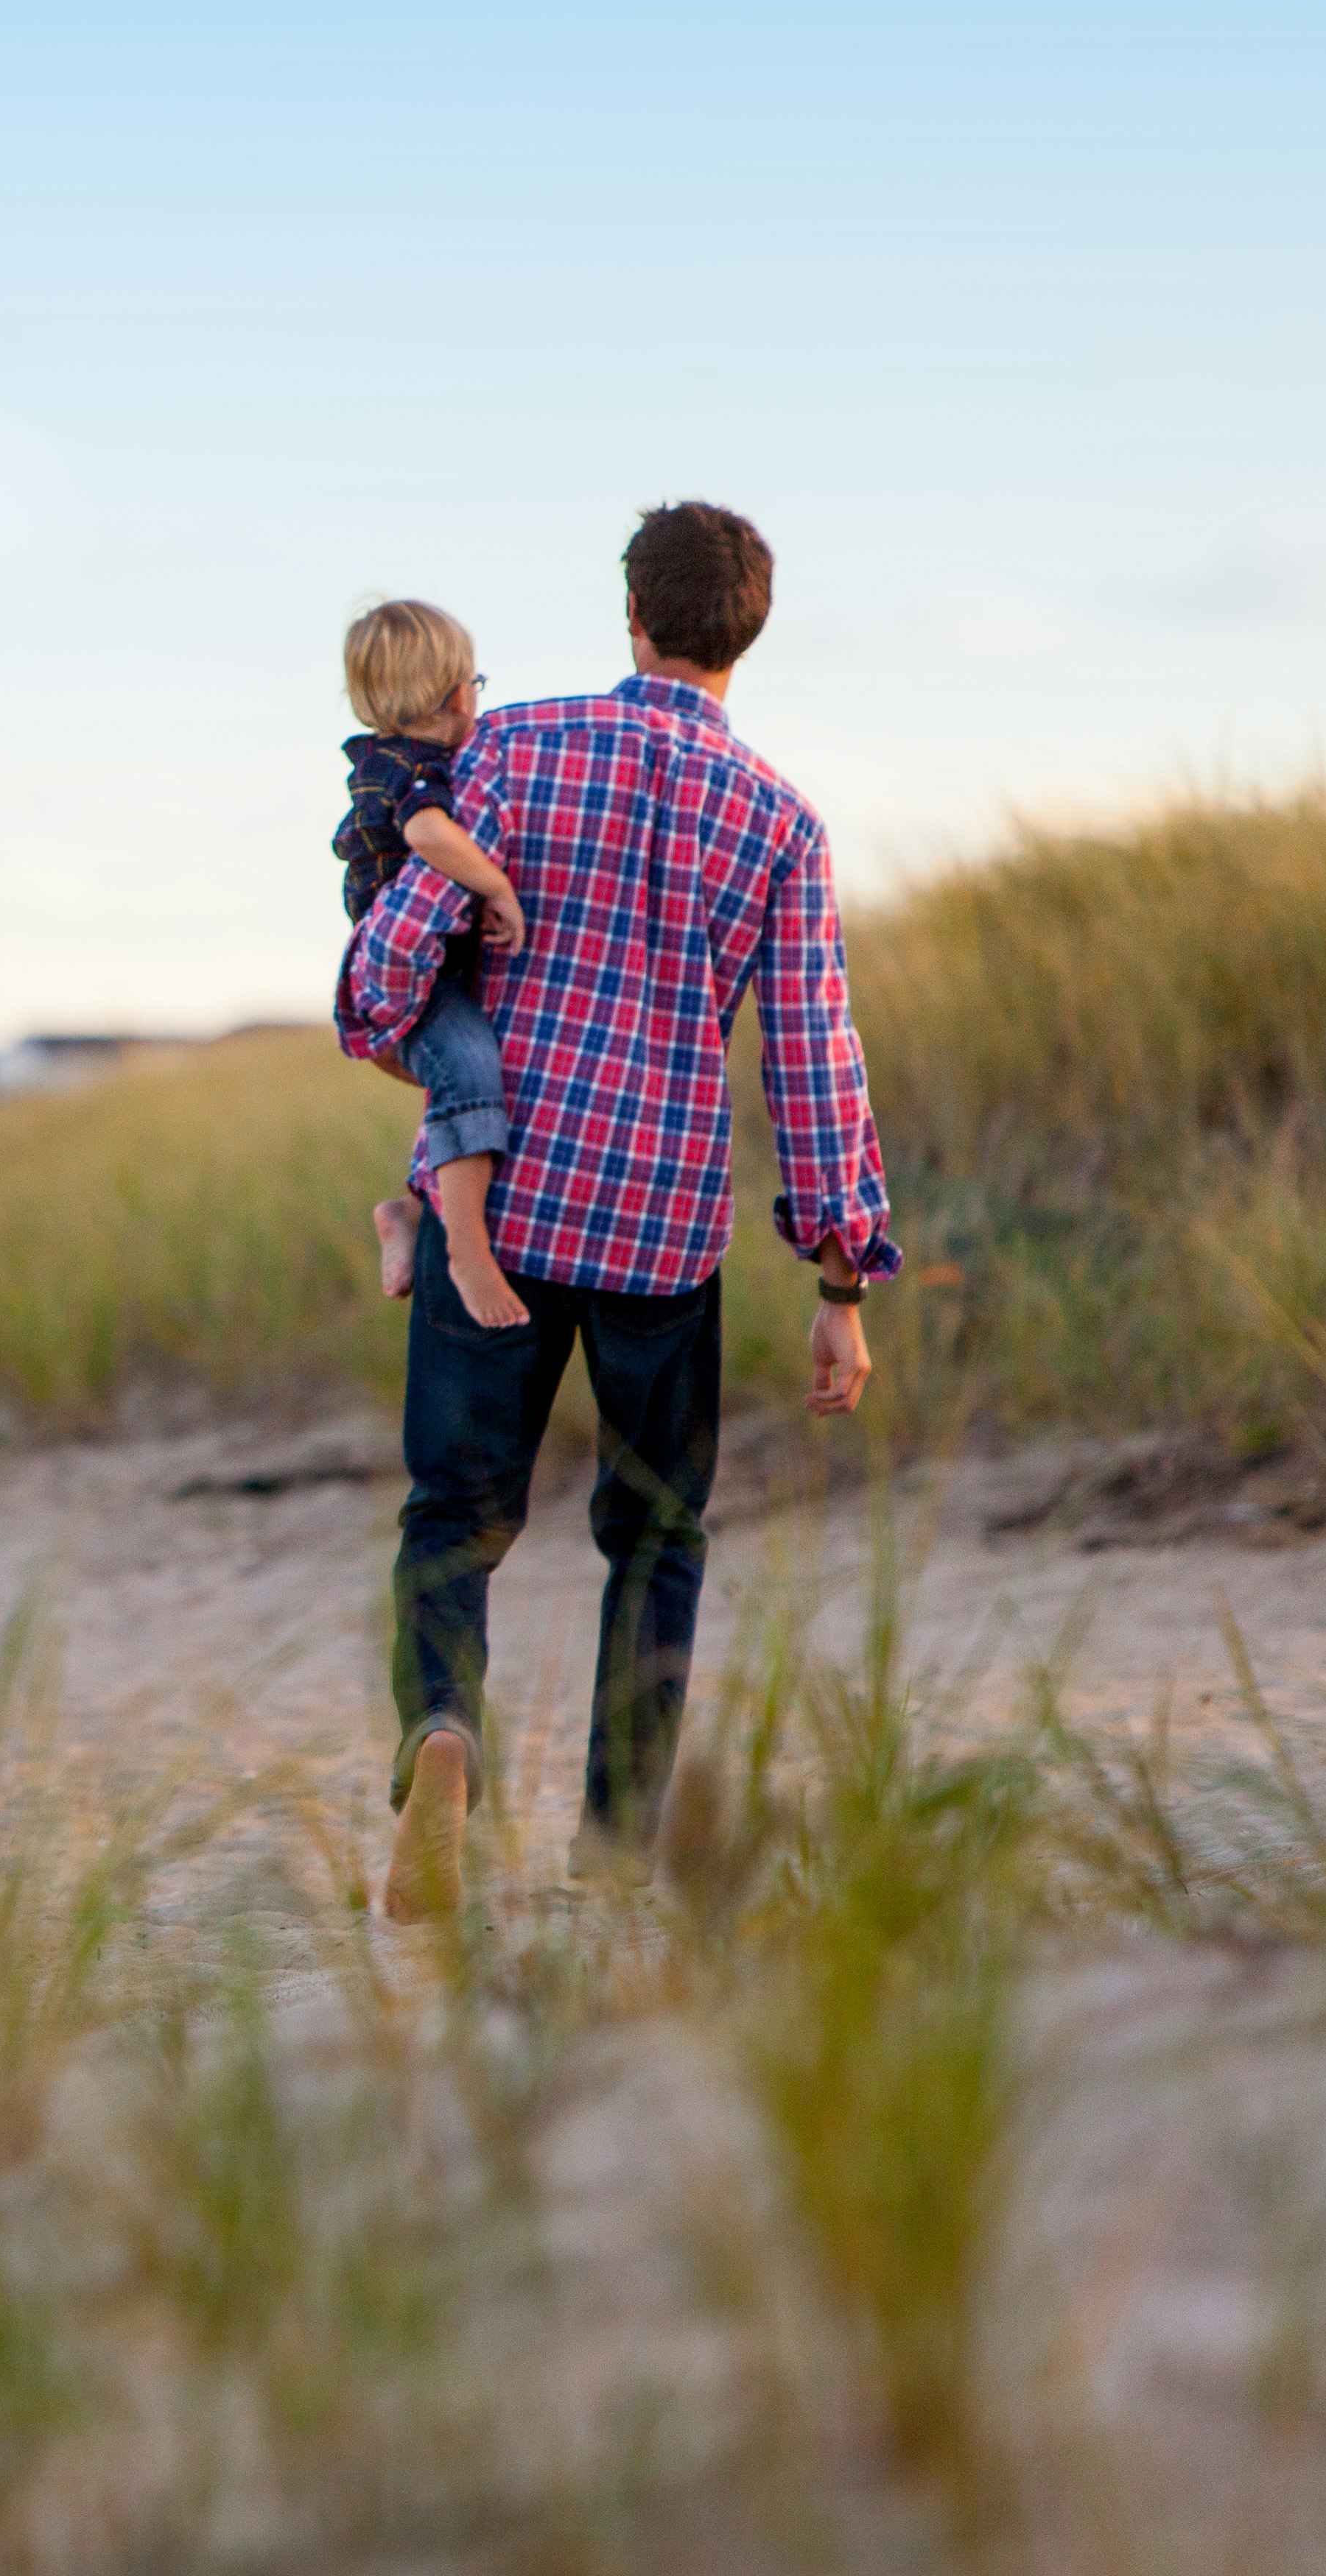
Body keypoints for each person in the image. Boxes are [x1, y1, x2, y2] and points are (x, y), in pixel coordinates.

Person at [336, 502, 894, 1921]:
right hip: (661, 1230)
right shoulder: (780, 818)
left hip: (504, 1205)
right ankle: (618, 1846)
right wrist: (839, 1286)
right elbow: (814, 1055)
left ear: (631, 616)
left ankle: (442, 1735)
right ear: (744, 633)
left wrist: (395, 1024)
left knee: (451, 1518)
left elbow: (389, 962)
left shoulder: (513, 745)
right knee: (655, 1537)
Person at [331, 599, 533, 1329]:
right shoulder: (410, 769)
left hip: (425, 971)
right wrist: (495, 883)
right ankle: (466, 1252)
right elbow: (427, 834)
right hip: (407, 979)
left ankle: (408, 1212)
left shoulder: (391, 757)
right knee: (472, 1070)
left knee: (459, 1081)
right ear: (456, 693)